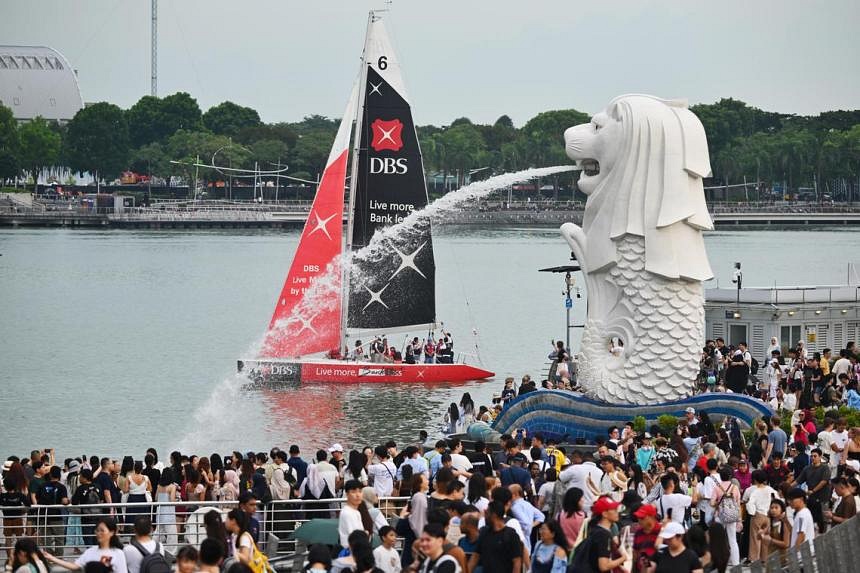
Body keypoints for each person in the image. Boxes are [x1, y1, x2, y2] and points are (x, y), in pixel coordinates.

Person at [44, 517, 128, 573]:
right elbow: (75, 566)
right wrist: (52, 558)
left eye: (102, 530)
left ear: (112, 532)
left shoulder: (118, 553)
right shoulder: (91, 551)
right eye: (97, 530)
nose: (99, 533)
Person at [467, 501, 522, 573]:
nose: (484, 517)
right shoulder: (484, 533)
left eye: (486, 513)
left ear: (494, 515)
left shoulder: (511, 535)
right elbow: (475, 557)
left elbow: (517, 562)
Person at [581, 496, 629, 573]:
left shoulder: (596, 530)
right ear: (605, 514)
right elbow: (604, 566)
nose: (617, 512)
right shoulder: (603, 535)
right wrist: (623, 558)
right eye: (613, 509)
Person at [744, 469, 776, 563]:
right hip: (768, 515)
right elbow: (777, 499)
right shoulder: (770, 490)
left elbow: (749, 504)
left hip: (757, 515)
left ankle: (754, 558)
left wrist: (752, 513)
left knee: (755, 538)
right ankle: (765, 558)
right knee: (765, 537)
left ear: (755, 480)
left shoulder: (754, 491)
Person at [339, 479, 375, 548]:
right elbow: (355, 537)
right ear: (347, 494)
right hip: (351, 552)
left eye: (360, 491)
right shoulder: (347, 513)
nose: (358, 495)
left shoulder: (356, 512)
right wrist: (365, 533)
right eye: (353, 492)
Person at [631, 504, 661, 573]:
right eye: (638, 518)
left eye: (642, 518)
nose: (639, 520)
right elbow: (635, 553)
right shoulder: (638, 533)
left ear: (652, 517)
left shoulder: (661, 532)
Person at [760, 499, 791, 565]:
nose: (773, 510)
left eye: (776, 508)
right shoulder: (770, 522)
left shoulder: (784, 524)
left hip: (781, 558)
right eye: (771, 508)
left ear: (782, 510)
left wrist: (771, 540)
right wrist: (761, 533)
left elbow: (786, 544)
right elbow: (761, 537)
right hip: (770, 557)